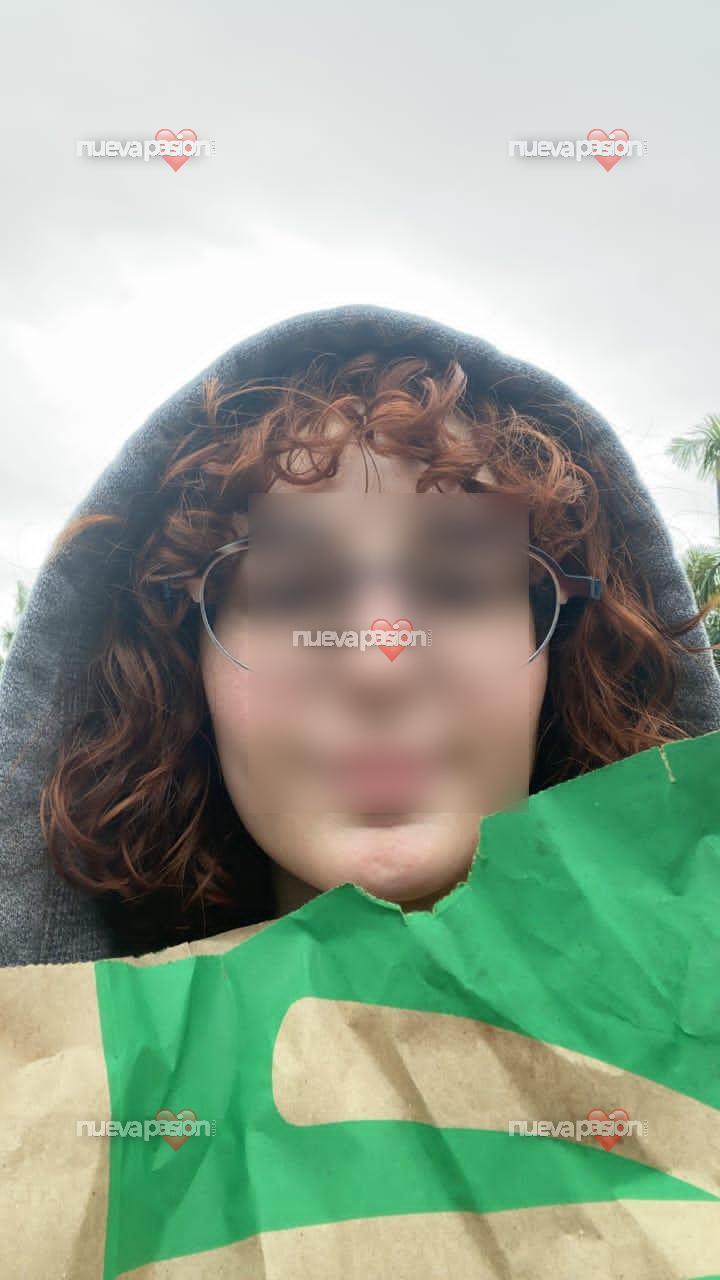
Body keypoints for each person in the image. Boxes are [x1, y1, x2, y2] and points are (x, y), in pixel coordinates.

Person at [1, 303, 719, 967]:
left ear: (563, 653)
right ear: (185, 671)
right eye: (291, 593)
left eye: (459, 587)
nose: (382, 670)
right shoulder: (61, 1059)